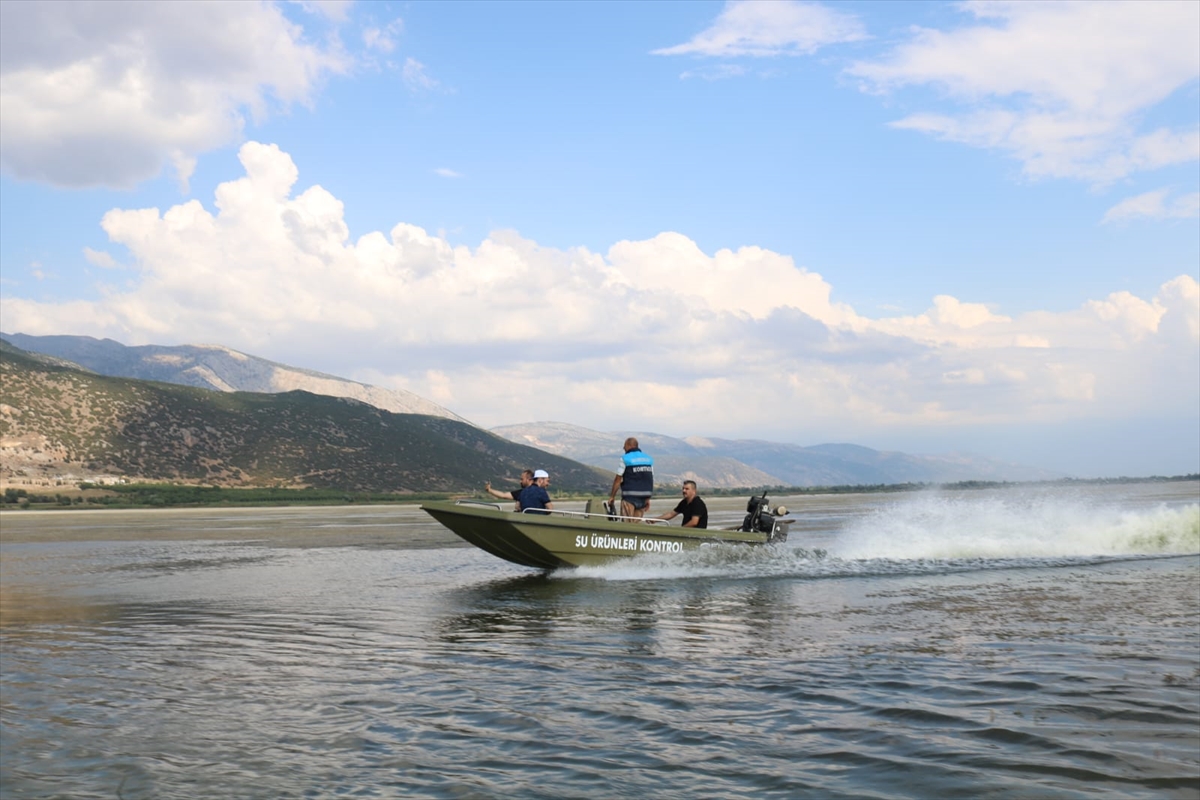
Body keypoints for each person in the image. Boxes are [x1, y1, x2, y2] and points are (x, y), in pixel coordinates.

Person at [609, 437, 653, 520]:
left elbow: (618, 479)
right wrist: (647, 498)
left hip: (629, 497)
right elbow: (649, 478)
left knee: (627, 526)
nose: (623, 448)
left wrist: (612, 496)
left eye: (624, 446)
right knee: (636, 527)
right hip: (644, 497)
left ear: (629, 446)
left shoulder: (625, 458)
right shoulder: (648, 459)